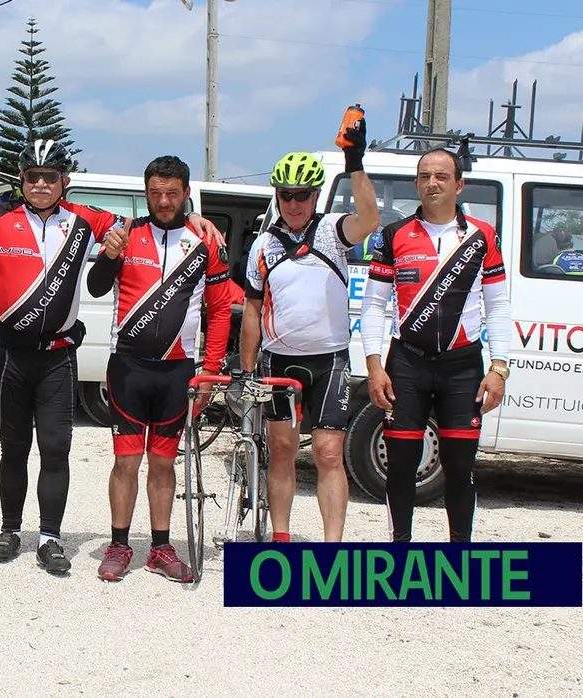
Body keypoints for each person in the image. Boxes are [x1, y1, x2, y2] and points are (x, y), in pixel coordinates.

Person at [0, 138, 225, 575]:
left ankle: (50, 538)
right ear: (21, 179)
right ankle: (10, 529)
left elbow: (148, 219)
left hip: (57, 354)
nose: (40, 184)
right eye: (32, 176)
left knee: (56, 448)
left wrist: (194, 218)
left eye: (49, 177)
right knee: (14, 449)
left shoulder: (85, 218)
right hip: (7, 354)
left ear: (64, 181)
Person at [86, 155, 233, 582]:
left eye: (172, 193)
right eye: (155, 193)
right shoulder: (127, 234)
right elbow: (96, 288)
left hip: (177, 370)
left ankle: (161, 547)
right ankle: (118, 545)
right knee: (126, 461)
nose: (164, 201)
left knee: (164, 462)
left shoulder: (205, 241)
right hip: (129, 367)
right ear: (145, 193)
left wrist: (208, 371)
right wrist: (109, 257)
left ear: (187, 192)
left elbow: (220, 311)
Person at [360, 147, 512, 542]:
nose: (432, 183)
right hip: (406, 363)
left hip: (463, 365)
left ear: (459, 185)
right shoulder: (394, 236)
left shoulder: (483, 236)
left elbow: (497, 306)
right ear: (416, 183)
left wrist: (499, 367)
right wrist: (375, 366)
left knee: (460, 468)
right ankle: (400, 552)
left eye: (442, 176)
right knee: (402, 464)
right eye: (425, 176)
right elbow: (374, 305)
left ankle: (459, 554)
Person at [239, 116, 380, 543]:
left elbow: (370, 218)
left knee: (328, 452)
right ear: (277, 196)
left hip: (331, 359)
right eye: (286, 195)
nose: (294, 203)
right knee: (281, 450)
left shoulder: (332, 232)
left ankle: (331, 547)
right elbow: (251, 308)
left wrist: (354, 160)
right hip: (279, 361)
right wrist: (247, 370)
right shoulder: (264, 245)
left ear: (315, 195)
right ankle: (281, 537)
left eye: (302, 196)